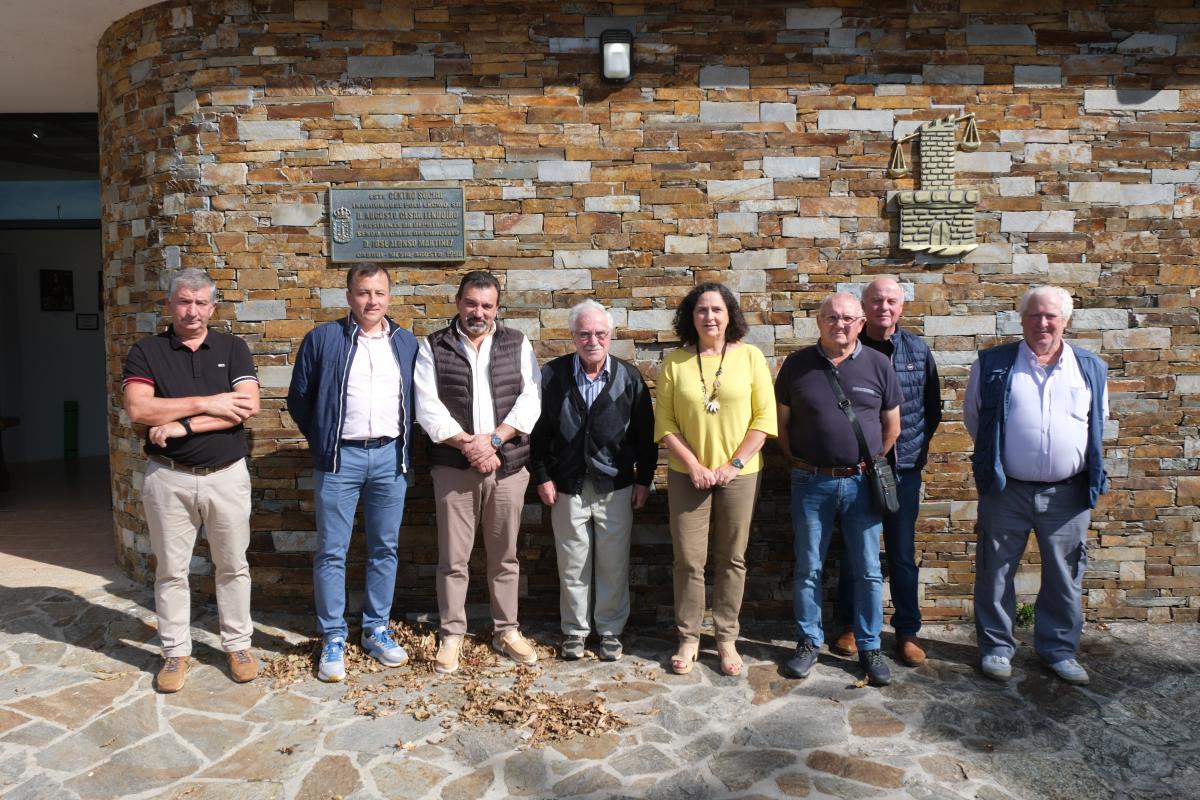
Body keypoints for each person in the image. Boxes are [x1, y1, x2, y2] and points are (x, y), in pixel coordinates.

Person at [122, 268, 261, 693]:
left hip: (226, 477)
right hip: (169, 478)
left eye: (201, 303)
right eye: (184, 301)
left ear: (213, 307)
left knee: (233, 566)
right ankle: (175, 652)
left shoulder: (233, 348)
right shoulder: (146, 352)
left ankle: (238, 645)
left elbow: (247, 406)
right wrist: (210, 402)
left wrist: (182, 425)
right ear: (169, 304)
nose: (192, 311)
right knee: (170, 571)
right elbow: (140, 410)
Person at [965, 285, 1108, 686]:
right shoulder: (993, 363)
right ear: (1022, 319)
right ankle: (996, 647)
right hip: (1006, 490)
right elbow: (975, 419)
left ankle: (1059, 650)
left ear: (1065, 320)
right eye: (1034, 315)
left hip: (1068, 493)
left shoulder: (1090, 367)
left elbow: (1097, 423)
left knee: (1065, 575)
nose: (1042, 323)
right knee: (995, 571)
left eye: (1050, 316)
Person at [286, 264, 418, 682]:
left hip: (389, 458)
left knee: (385, 548)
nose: (371, 301)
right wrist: (324, 438)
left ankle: (376, 628)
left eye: (379, 293)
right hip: (339, 460)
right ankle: (333, 636)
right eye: (363, 292)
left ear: (389, 297)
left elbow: (417, 400)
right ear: (349, 297)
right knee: (332, 550)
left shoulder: (406, 343)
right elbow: (299, 399)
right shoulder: (323, 339)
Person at [414, 271, 542, 674]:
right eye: (471, 303)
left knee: (505, 557)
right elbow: (427, 406)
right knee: (453, 558)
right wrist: (469, 444)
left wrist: (495, 441)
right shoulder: (433, 346)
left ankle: (506, 630)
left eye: (487, 305)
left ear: (497, 308)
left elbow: (531, 399)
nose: (478, 312)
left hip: (508, 467)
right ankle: (452, 633)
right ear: (458, 302)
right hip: (454, 466)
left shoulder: (517, 343)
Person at [776, 292, 901, 687]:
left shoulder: (879, 364)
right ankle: (808, 641)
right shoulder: (797, 365)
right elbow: (781, 425)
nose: (839, 324)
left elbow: (892, 426)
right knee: (808, 566)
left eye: (848, 318)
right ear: (819, 321)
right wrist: (798, 462)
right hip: (810, 482)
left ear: (861, 324)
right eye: (831, 317)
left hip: (862, 483)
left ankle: (870, 646)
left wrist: (868, 463)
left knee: (867, 569)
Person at [654, 283, 776, 677]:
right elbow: (665, 423)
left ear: (730, 315)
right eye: (701, 310)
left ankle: (725, 638)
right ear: (690, 317)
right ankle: (689, 637)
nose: (709, 317)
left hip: (740, 475)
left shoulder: (751, 357)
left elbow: (764, 418)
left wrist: (733, 465)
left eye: (717, 309)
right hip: (687, 475)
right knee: (688, 560)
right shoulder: (675, 362)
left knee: (732, 558)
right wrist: (693, 464)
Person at [530, 300, 657, 662]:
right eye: (584, 334)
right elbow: (537, 432)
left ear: (610, 335)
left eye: (600, 333)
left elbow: (646, 435)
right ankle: (575, 631)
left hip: (616, 486)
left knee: (613, 564)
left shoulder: (628, 377)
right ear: (573, 336)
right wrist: (542, 476)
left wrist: (644, 480)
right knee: (573, 564)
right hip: (566, 486)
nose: (593, 341)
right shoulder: (553, 376)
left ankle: (611, 631)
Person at [830, 278, 941, 667]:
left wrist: (908, 452)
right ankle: (850, 625)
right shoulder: (847, 351)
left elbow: (931, 409)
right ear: (864, 307)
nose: (884, 307)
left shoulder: (917, 350)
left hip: (902, 470)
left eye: (891, 301)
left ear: (902, 307)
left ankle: (907, 632)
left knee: (902, 553)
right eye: (876, 301)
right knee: (854, 551)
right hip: (856, 469)